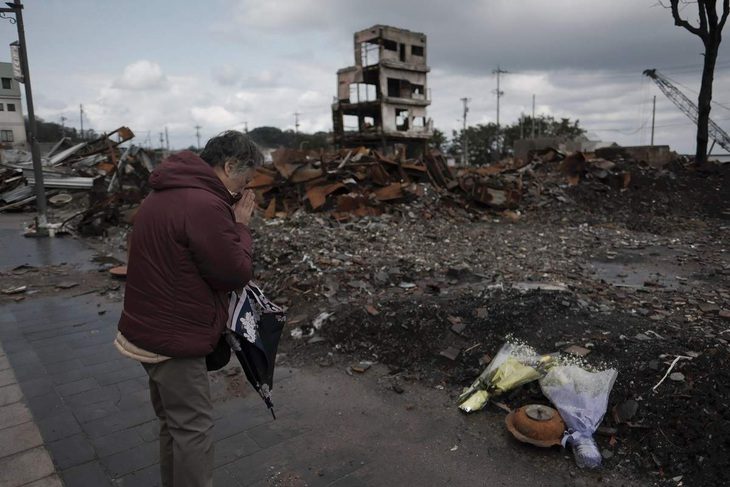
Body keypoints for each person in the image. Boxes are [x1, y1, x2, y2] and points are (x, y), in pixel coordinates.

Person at [115, 131, 263, 487]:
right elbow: (234, 272)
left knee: (173, 424)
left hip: (147, 330)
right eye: (246, 177)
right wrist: (240, 226)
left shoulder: (163, 193)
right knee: (193, 431)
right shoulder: (203, 204)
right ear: (229, 166)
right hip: (175, 338)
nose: (246, 187)